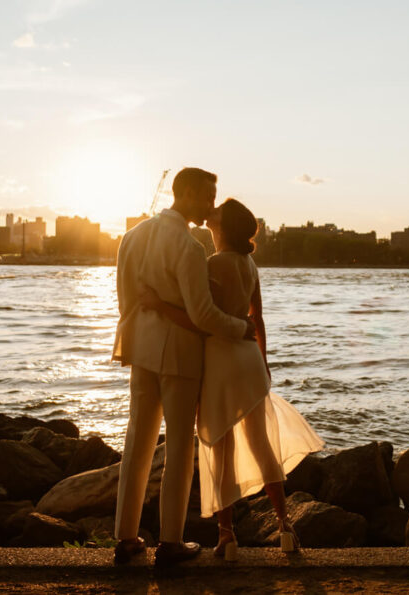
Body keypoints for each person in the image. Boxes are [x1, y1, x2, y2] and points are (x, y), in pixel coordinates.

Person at [140, 198, 324, 561]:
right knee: (261, 445)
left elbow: (201, 318)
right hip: (249, 360)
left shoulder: (214, 263)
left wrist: (158, 305)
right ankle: (286, 527)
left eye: (218, 210)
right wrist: (264, 360)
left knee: (219, 451)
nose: (211, 211)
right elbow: (258, 317)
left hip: (222, 360)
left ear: (224, 224)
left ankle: (227, 536)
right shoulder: (249, 263)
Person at [111, 168, 255, 568]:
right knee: (177, 447)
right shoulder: (190, 247)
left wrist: (143, 330)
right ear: (188, 193)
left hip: (141, 350)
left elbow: (125, 302)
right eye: (209, 196)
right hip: (180, 357)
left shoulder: (132, 237)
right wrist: (241, 328)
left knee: (137, 442)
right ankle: (170, 542)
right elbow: (205, 314)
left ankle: (125, 538)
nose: (212, 205)